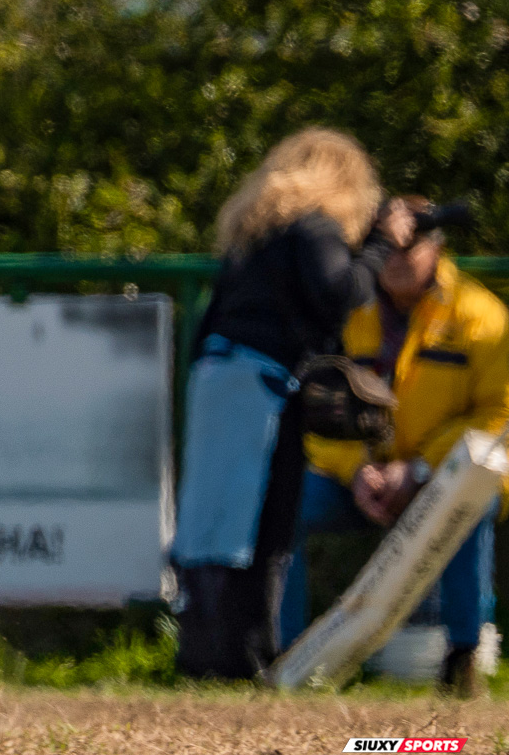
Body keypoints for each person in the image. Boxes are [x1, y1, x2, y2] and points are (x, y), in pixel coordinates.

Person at [172, 128, 414, 679]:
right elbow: (339, 292)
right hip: (258, 383)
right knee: (263, 524)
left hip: (219, 375)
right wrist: (381, 246)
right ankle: (244, 656)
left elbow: (213, 317)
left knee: (214, 526)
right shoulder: (315, 226)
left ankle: (208, 653)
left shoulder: (258, 231)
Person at [281, 202, 506, 695]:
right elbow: (313, 408)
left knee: (476, 502)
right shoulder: (346, 309)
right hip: (362, 483)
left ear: (437, 249)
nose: (398, 257)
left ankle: (463, 660)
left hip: (443, 479)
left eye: (411, 245)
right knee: (287, 503)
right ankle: (284, 657)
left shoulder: (482, 316)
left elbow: (499, 414)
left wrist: (421, 468)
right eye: (387, 245)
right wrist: (356, 469)